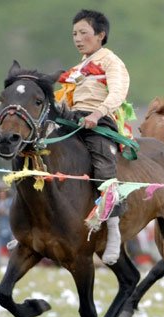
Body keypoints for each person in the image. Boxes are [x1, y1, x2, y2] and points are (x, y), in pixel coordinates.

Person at [55, 9, 131, 264]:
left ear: (100, 35)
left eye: (83, 33)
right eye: (74, 34)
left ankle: (114, 232)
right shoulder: (78, 68)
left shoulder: (111, 61)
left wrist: (98, 113)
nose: (77, 38)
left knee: (104, 168)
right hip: (74, 119)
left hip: (100, 120)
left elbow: (118, 92)